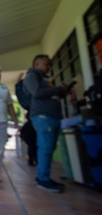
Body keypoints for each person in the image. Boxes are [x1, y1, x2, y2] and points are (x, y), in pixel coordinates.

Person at [24, 54, 70, 193]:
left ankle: (43, 177)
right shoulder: (32, 76)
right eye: (46, 64)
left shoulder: (44, 79)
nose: (49, 66)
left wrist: (62, 91)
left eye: (50, 64)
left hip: (52, 116)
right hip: (43, 117)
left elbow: (48, 94)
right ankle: (43, 179)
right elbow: (37, 92)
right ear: (37, 64)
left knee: (49, 148)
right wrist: (57, 89)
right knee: (45, 148)